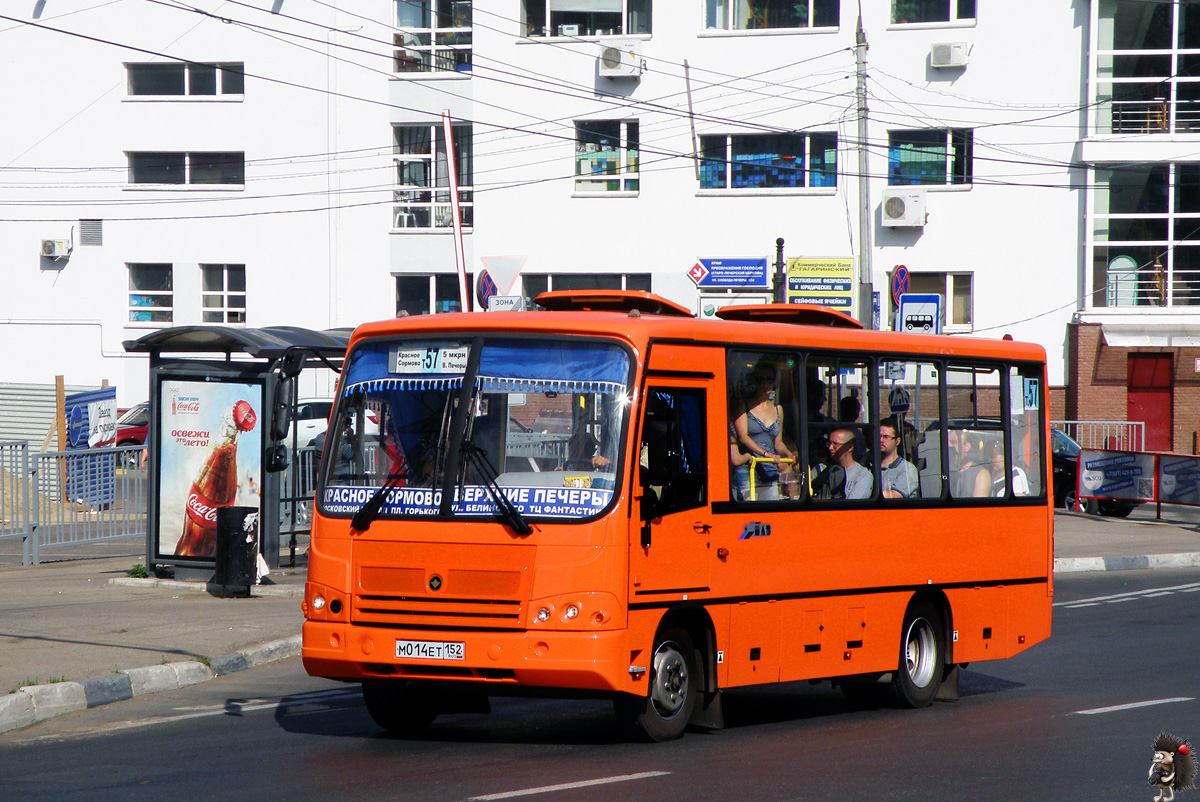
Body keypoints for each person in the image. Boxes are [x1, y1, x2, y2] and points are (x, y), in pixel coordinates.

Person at [733, 363, 795, 501]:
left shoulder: (778, 409)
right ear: (754, 381)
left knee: (771, 508)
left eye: (769, 379)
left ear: (775, 382)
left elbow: (777, 442)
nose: (765, 384)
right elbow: (743, 437)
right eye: (760, 379)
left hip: (770, 468)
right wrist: (766, 454)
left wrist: (788, 453)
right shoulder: (744, 404)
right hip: (749, 466)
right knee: (747, 510)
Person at [814, 428, 872, 499]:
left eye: (835, 444)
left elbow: (854, 505)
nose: (830, 447)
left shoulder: (862, 475)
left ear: (850, 447)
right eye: (829, 443)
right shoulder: (820, 469)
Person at [879, 419, 918, 498]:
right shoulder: (868, 465)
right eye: (879, 436)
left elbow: (895, 496)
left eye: (886, 437)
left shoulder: (907, 469)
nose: (881, 440)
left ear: (897, 441)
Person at [948, 429, 992, 498]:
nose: (948, 446)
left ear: (967, 447)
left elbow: (978, 506)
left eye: (953, 442)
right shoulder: (942, 470)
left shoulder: (981, 474)